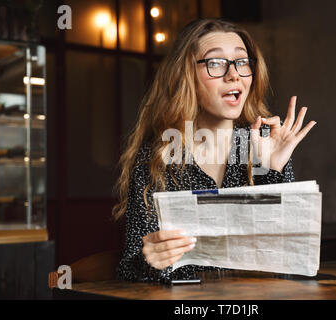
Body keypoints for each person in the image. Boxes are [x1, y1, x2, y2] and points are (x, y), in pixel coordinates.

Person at [112, 18, 316, 282]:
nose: (233, 74)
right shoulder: (158, 157)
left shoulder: (264, 143)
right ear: (186, 75)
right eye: (215, 63)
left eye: (242, 62)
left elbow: (288, 264)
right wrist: (151, 260)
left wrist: (272, 170)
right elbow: (128, 270)